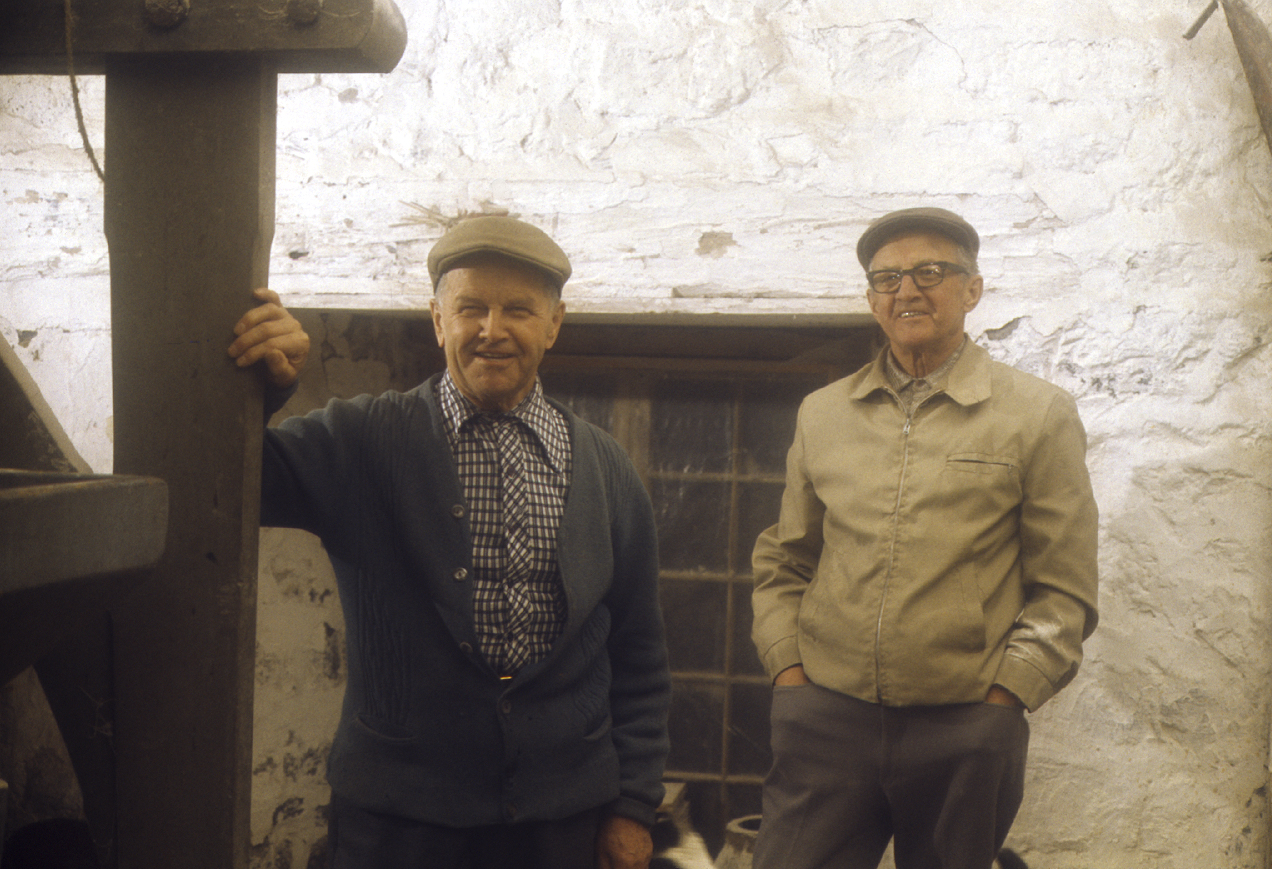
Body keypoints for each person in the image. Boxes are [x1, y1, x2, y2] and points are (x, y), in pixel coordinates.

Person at [228, 215, 671, 869]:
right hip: (395, 827)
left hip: (560, 826)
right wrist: (262, 390)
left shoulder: (606, 469)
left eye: (518, 309)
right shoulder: (361, 440)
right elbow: (230, 484)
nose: (492, 329)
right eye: (471, 308)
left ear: (554, 323)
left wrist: (634, 804)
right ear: (438, 321)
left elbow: (639, 655)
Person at [750, 207, 1099, 869]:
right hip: (826, 721)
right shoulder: (823, 413)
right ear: (871, 299)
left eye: (929, 272)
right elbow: (784, 555)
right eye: (886, 278)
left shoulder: (1037, 414)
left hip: (965, 727)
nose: (905, 290)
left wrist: (1004, 702)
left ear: (972, 290)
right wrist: (790, 675)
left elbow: (1064, 587)